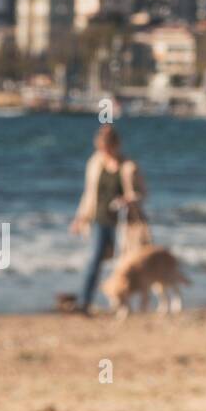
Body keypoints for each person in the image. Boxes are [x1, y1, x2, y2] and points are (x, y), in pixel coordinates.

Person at [69, 123, 147, 315]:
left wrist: (129, 199)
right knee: (94, 260)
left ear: (116, 145)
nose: (105, 152)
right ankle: (84, 302)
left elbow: (142, 193)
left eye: (107, 148)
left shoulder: (129, 166)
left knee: (123, 262)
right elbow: (88, 194)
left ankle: (122, 301)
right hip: (99, 219)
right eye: (101, 149)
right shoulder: (94, 163)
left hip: (124, 223)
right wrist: (80, 217)